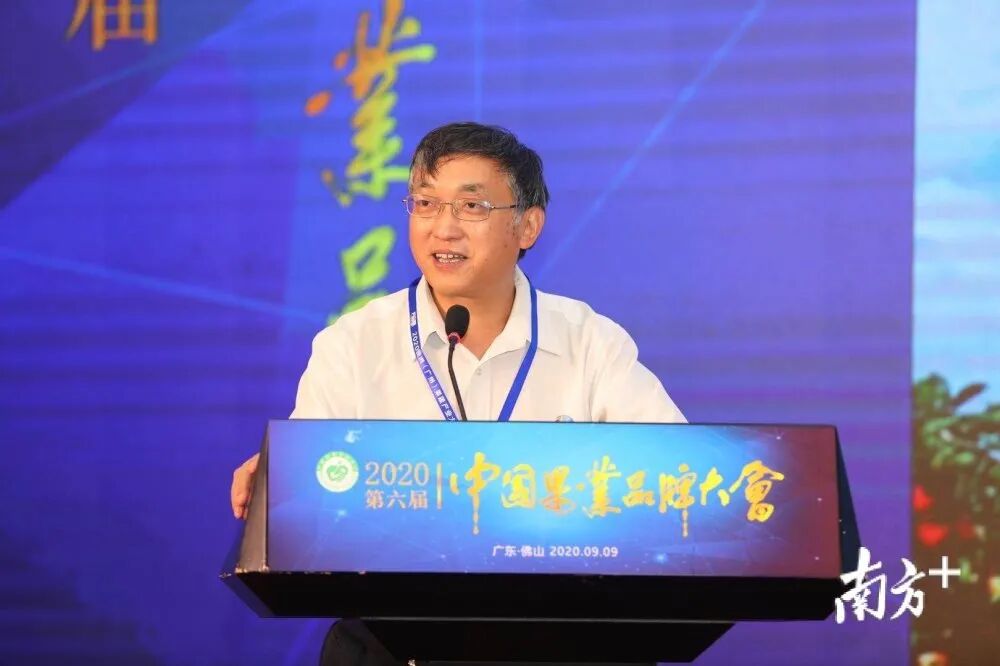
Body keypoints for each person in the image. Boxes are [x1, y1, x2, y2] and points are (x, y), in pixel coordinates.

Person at [229, 121, 685, 664]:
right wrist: (282, 480)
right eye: (425, 204)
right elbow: (312, 490)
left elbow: (674, 481)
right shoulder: (352, 343)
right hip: (392, 639)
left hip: (564, 640)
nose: (443, 229)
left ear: (528, 225)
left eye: (471, 207)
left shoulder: (590, 342)